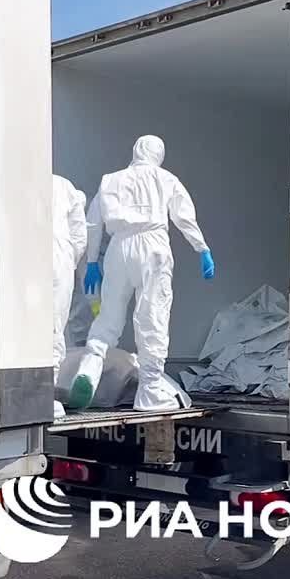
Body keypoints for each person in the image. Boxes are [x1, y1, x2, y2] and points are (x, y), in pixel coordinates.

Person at [67, 135, 214, 412]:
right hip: (153, 246)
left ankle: (90, 367)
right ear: (159, 154)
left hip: (118, 248)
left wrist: (92, 263)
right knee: (152, 316)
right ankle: (149, 391)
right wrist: (201, 248)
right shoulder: (166, 179)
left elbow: (93, 223)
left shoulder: (110, 180)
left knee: (108, 316)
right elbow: (184, 216)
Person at [52, 173, 88, 418]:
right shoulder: (64, 186)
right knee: (54, 326)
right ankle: (47, 391)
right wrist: (70, 262)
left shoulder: (16, 180)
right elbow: (79, 235)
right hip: (58, 256)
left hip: (25, 256)